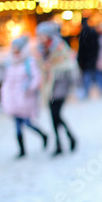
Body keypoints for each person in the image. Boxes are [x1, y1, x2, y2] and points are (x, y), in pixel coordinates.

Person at [0, 35, 48, 158]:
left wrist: (28, 88)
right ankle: (22, 150)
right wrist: (5, 92)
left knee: (27, 122)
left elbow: (36, 77)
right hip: (12, 97)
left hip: (25, 96)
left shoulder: (29, 61)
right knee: (17, 125)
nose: (15, 50)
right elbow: (7, 79)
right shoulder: (9, 61)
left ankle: (43, 135)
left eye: (17, 47)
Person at [36, 21, 77, 157]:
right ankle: (66, 139)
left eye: (43, 35)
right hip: (49, 85)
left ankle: (63, 141)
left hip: (60, 83)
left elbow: (68, 65)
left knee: (55, 114)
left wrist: (51, 67)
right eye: (39, 35)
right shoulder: (41, 50)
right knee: (54, 115)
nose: (41, 38)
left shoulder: (59, 47)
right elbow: (40, 67)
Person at [77, 17, 102, 97]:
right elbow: (97, 45)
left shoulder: (82, 33)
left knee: (87, 76)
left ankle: (86, 92)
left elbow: (81, 48)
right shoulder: (93, 32)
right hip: (93, 57)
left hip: (86, 58)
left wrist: (80, 59)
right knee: (97, 74)